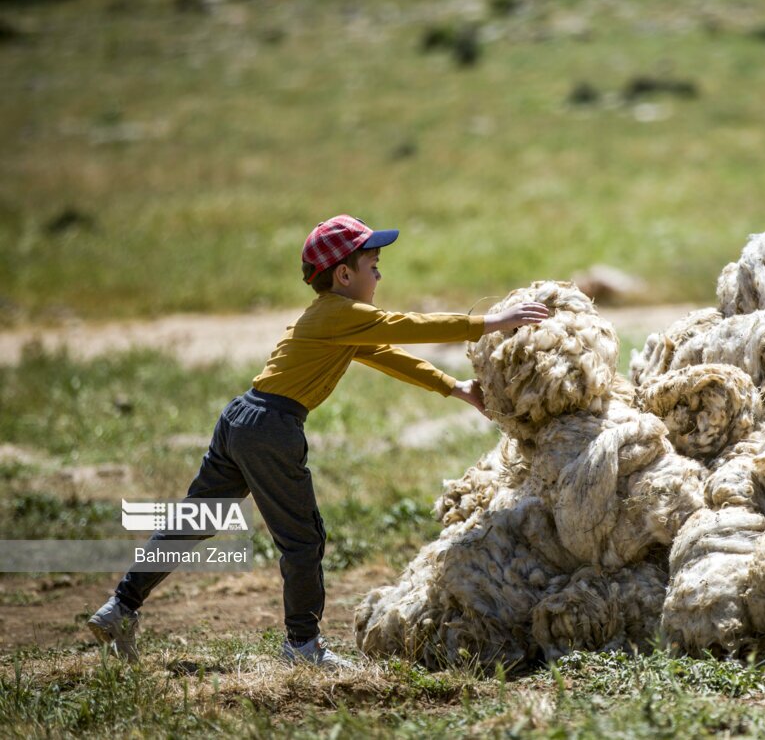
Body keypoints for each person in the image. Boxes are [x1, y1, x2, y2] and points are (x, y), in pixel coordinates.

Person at [86, 215, 548, 669]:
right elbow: (407, 325)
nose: (380, 274)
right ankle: (303, 647)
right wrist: (488, 322)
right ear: (344, 274)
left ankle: (120, 606)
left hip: (242, 416)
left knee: (197, 517)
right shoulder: (342, 313)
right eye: (373, 265)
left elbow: (386, 354)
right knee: (303, 541)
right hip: (272, 428)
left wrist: (455, 387)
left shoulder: (337, 320)